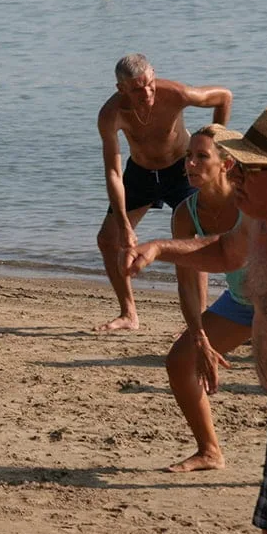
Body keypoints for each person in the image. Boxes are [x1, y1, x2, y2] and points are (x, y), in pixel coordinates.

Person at [125, 105, 267, 534]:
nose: (235, 174)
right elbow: (223, 251)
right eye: (236, 165)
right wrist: (159, 247)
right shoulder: (258, 223)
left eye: (249, 168)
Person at [95, 53, 232, 331]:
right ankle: (129, 314)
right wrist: (123, 224)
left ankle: (201, 317)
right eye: (137, 88)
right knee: (109, 240)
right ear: (121, 89)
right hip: (141, 173)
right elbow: (113, 172)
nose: (146, 92)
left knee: (191, 241)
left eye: (150, 84)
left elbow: (223, 97)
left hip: (181, 170)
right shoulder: (111, 115)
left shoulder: (176, 94)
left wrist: (217, 148)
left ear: (154, 75)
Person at [163, 127, 252, 473]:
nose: (191, 163)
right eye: (188, 156)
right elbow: (186, 281)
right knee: (179, 361)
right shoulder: (186, 213)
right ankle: (210, 452)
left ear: (226, 164)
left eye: (202, 156)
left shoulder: (252, 201)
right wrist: (198, 335)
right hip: (242, 303)